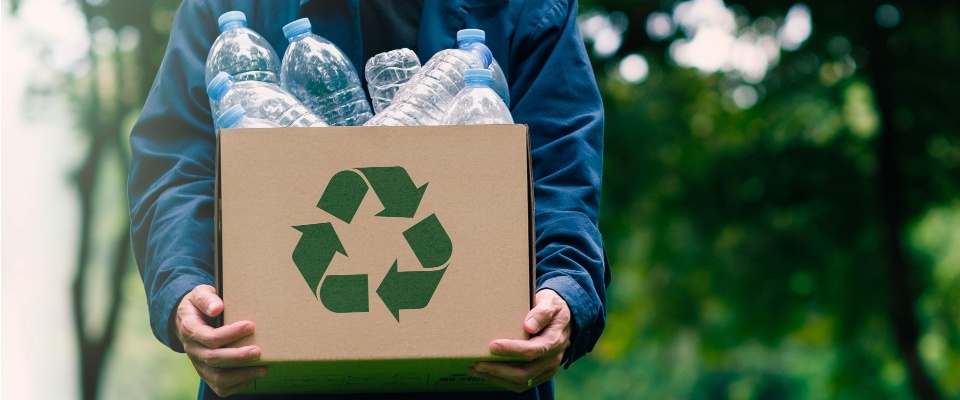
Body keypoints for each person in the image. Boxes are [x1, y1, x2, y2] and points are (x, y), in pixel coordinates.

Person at [128, 1, 609, 398]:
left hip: (477, 376)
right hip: (272, 373)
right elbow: (176, 165)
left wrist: (564, 292)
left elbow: (560, 173)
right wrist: (183, 286)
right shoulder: (224, 7)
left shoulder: (524, 8)